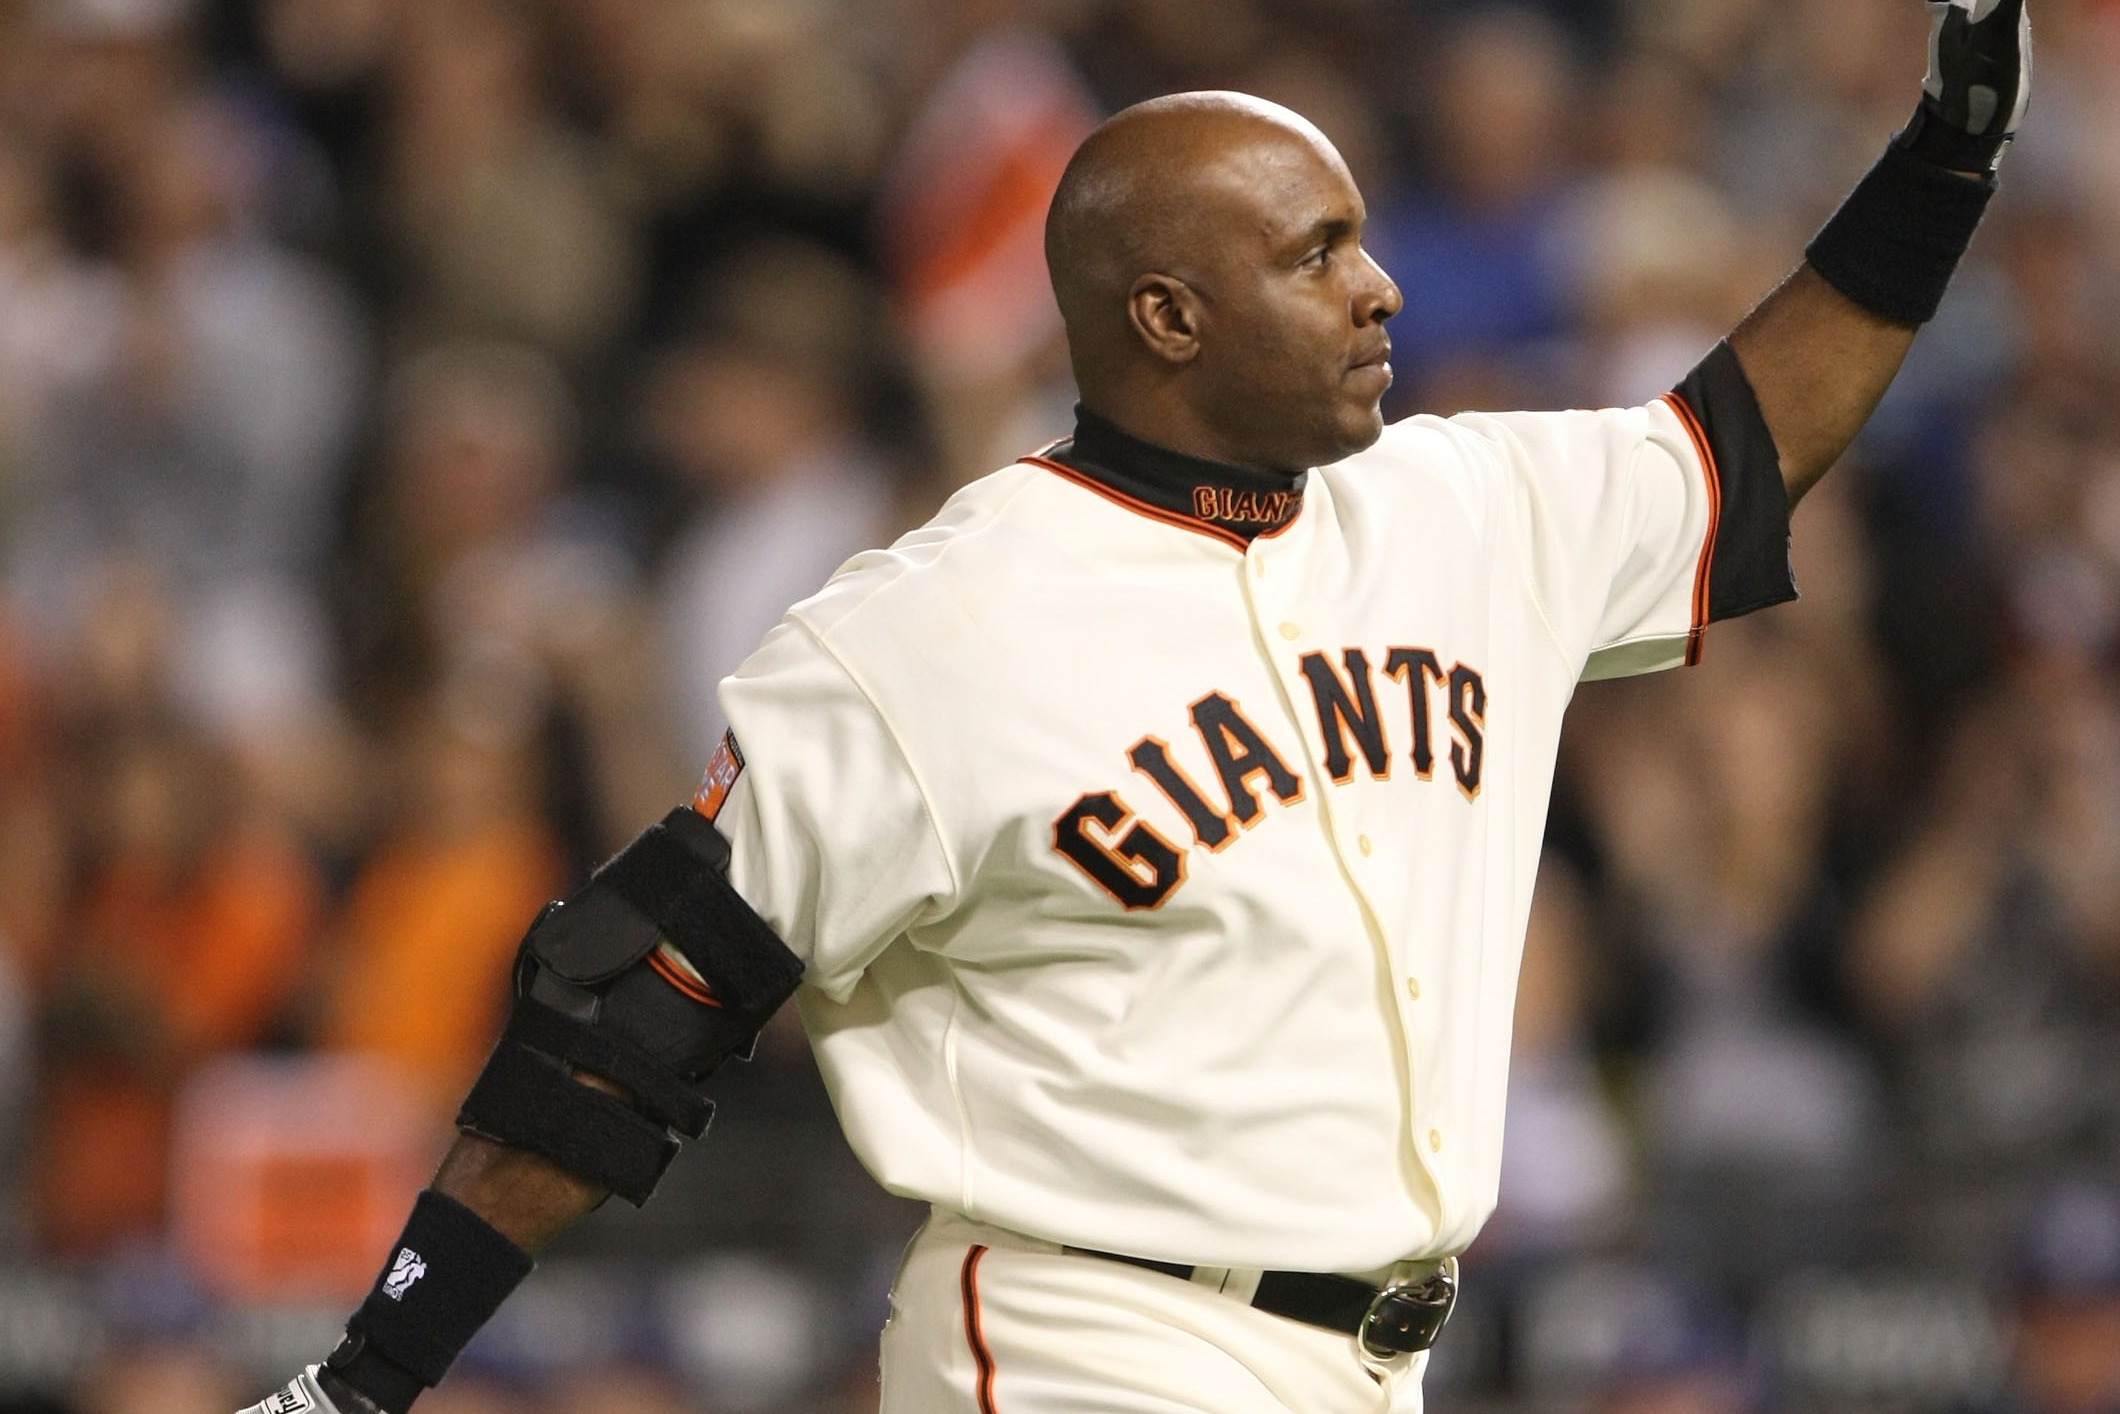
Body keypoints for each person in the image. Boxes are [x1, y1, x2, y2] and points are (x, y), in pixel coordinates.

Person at [241, 4, 2033, 1411]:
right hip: (1085, 1341)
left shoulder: (1468, 509)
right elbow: (623, 1019)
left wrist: (1944, 160)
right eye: (1318, 253)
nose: (1380, 287)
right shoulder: (929, 633)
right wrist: (369, 1375)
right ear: (1166, 315)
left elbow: (1744, 440)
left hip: (1381, 1355)